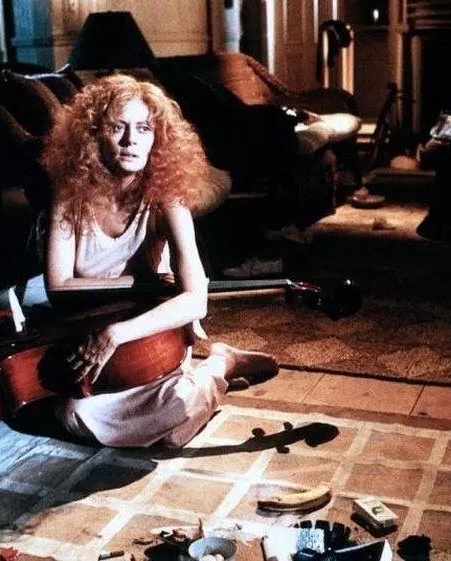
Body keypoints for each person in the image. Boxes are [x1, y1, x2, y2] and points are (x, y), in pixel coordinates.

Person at [40, 74, 278, 448]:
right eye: (117, 127)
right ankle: (193, 385)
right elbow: (57, 287)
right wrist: (146, 287)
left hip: (149, 331)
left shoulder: (166, 197)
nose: (131, 140)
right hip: (88, 326)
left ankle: (219, 364)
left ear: (157, 137)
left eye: (143, 129)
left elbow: (196, 300)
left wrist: (117, 333)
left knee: (174, 418)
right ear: (94, 135)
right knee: (73, 415)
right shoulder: (70, 193)